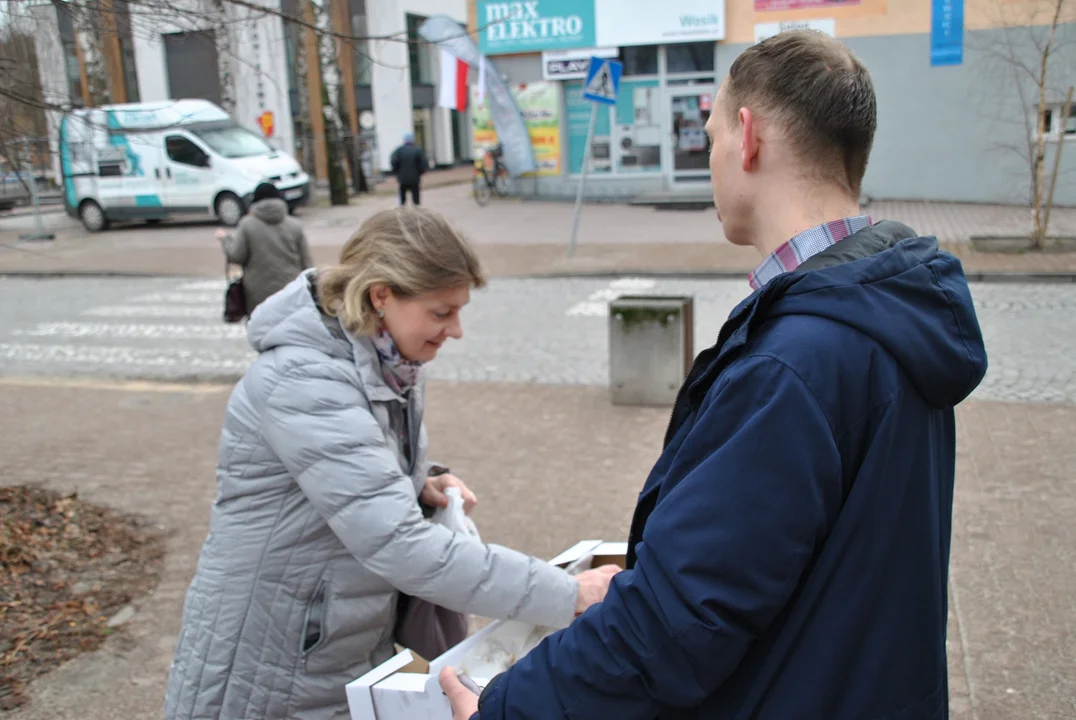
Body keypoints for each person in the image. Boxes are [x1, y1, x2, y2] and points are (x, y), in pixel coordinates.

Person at [442, 29, 989, 720]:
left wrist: (503, 710)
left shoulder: (797, 358)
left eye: (711, 137)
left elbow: (672, 627)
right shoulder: (885, 307)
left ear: (749, 137)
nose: (711, 161)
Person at [166, 206, 620, 720]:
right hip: (272, 659)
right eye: (441, 312)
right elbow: (402, 546)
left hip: (331, 643)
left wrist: (415, 481)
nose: (456, 330)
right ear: (381, 295)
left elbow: (353, 473)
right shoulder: (305, 380)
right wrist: (565, 593)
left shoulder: (386, 363)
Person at [218, 182, 313, 316]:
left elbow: (236, 256)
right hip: (290, 291)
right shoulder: (295, 226)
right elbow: (307, 264)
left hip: (258, 295)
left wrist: (225, 240)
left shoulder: (247, 225)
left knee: (261, 331)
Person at [390, 133, 429, 206]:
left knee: (402, 196)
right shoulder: (418, 150)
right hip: (415, 177)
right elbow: (423, 162)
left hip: (402, 178)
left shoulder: (399, 151)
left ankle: (403, 208)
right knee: (416, 195)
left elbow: (393, 162)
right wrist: (420, 172)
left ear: (404, 140)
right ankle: (416, 209)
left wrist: (396, 172)